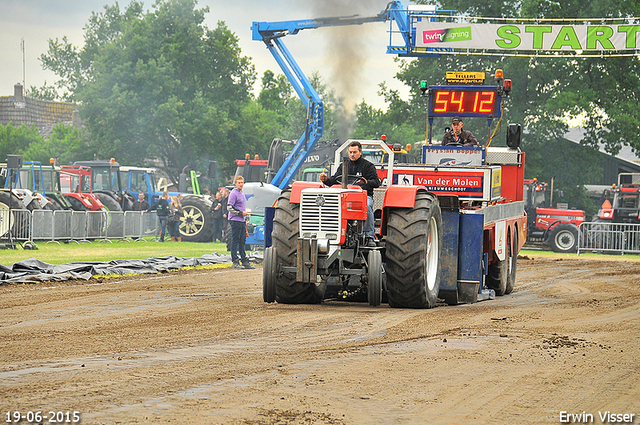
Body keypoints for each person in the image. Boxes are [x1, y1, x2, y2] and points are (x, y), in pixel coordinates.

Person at [320, 140, 380, 247]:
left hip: (363, 196)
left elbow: (376, 182)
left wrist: (366, 182)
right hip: (346, 196)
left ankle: (369, 235)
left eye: (355, 152)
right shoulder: (344, 166)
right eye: (350, 152)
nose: (352, 154)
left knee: (367, 205)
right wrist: (325, 180)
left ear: (360, 152)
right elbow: (334, 180)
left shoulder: (368, 166)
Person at [227, 176, 255, 269]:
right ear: (235, 183)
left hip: (241, 220)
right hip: (235, 220)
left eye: (242, 182)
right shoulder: (233, 194)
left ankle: (244, 260)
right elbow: (229, 207)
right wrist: (240, 213)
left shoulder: (241, 193)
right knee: (235, 240)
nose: (240, 184)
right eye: (239, 182)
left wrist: (244, 218)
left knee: (242, 241)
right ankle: (235, 260)